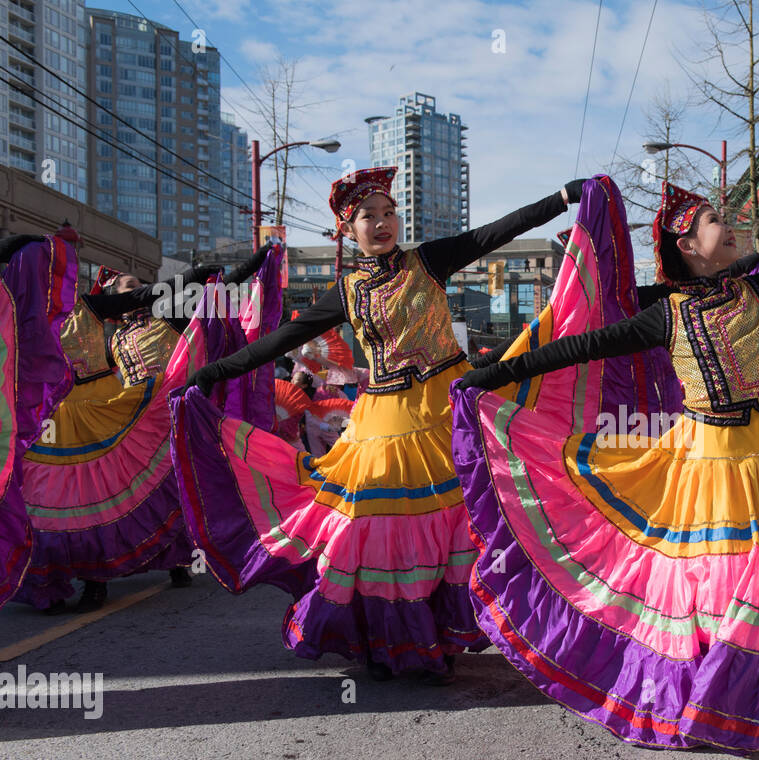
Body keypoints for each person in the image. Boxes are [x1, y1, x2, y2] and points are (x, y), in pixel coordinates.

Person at [451, 175, 759, 752]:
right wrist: (491, 376)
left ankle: (754, 696)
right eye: (713, 222)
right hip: (710, 468)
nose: (729, 229)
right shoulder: (666, 313)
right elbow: (579, 347)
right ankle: (722, 699)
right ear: (688, 247)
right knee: (732, 578)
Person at [178, 168, 585, 683]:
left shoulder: (428, 261)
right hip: (382, 423)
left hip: (445, 415)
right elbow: (283, 339)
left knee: (461, 523)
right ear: (348, 231)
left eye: (388, 212)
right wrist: (215, 370)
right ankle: (391, 639)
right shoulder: (346, 290)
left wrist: (562, 196)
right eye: (368, 216)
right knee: (376, 533)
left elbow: (494, 233)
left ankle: (443, 637)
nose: (382, 222)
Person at [9, 239, 275, 612]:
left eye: (136, 287)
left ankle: (146, 566)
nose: (135, 292)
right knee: (48, 499)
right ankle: (50, 579)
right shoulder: (32, 314)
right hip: (64, 417)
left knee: (139, 489)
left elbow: (181, 296)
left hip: (135, 410)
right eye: (126, 288)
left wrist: (232, 268)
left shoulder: (133, 311)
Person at [0, 231, 77, 607]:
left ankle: (54, 578)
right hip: (36, 426)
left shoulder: (25, 320)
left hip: (53, 424)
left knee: (33, 499)